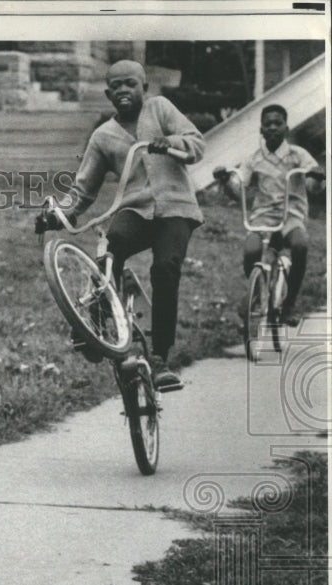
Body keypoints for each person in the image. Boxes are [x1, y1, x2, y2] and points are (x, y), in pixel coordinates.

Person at [36, 59, 205, 390]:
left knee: (166, 269)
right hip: (136, 210)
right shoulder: (103, 137)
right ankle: (96, 329)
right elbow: (82, 190)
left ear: (144, 87)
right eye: (117, 86)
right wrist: (57, 214)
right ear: (108, 93)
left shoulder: (160, 109)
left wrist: (171, 144)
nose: (124, 90)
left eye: (131, 83)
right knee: (111, 246)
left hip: (175, 208)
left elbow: (196, 143)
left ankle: (159, 358)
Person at [212, 104, 325, 327]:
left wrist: (317, 177)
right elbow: (239, 189)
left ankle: (290, 304)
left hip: (290, 217)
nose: (273, 128)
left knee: (300, 246)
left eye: (278, 123)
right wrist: (226, 180)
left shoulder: (298, 156)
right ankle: (257, 292)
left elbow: (313, 186)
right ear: (261, 130)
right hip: (263, 218)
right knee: (251, 251)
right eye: (268, 124)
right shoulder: (254, 158)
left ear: (286, 128)